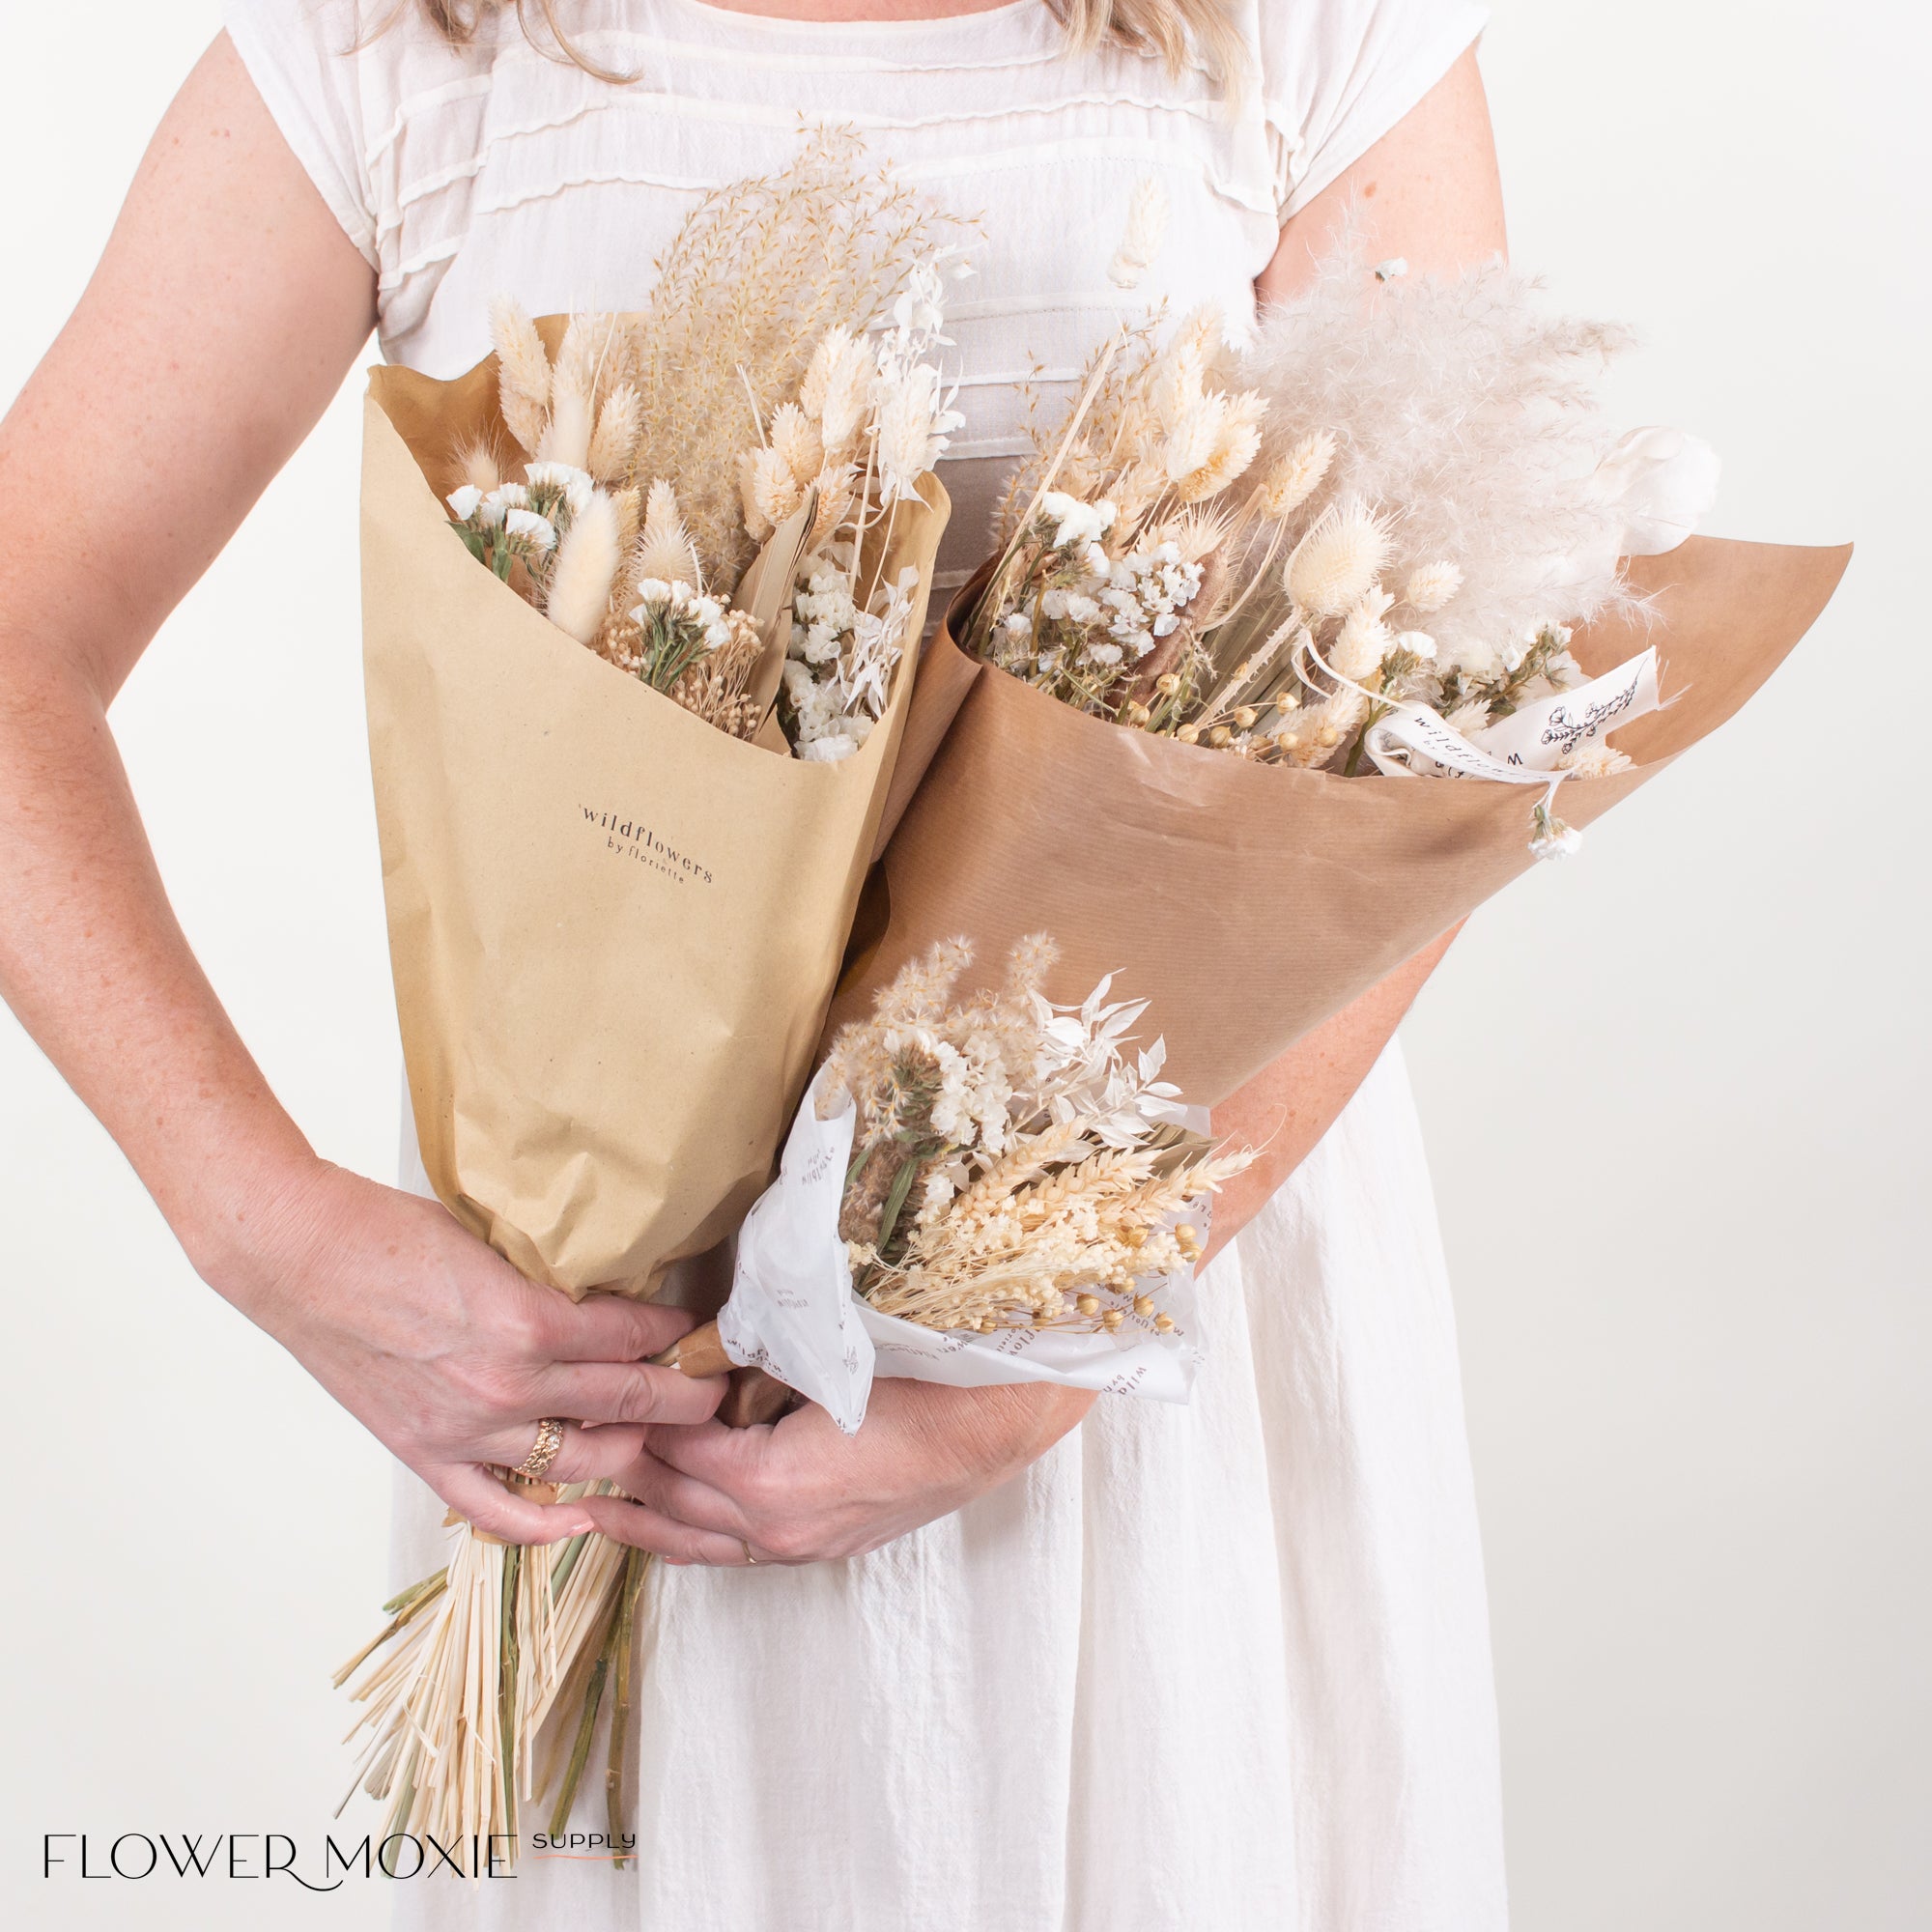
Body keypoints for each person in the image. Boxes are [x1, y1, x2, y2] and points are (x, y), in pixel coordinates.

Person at [0, 2, 1508, 1924]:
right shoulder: (407, 48)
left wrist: (1048, 1346)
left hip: (1149, 1309)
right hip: (623, 1372)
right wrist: (255, 1225)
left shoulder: (1300, 27)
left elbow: (1443, 722)